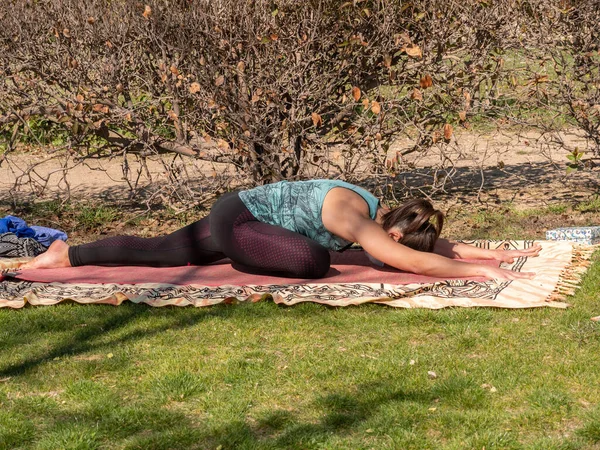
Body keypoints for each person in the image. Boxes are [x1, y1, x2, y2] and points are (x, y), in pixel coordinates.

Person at [20, 179, 540, 279]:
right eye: (395, 247)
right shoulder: (356, 219)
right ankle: (245, 257)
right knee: (312, 262)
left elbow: (432, 247)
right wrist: (469, 275)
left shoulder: (380, 220)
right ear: (394, 235)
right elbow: (412, 260)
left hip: (242, 217)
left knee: (163, 253)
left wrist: (481, 254)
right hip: (241, 219)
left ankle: (67, 254)